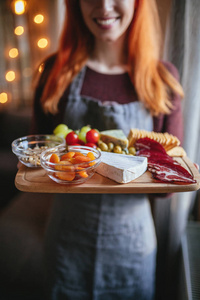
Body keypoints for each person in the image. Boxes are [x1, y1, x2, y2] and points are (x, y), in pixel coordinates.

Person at [31, 0, 184, 299]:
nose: (104, 6)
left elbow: (167, 186)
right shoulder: (53, 71)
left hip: (132, 249)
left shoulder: (162, 78)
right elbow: (37, 165)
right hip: (66, 246)